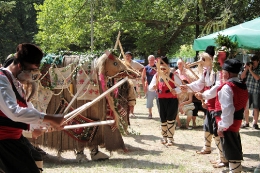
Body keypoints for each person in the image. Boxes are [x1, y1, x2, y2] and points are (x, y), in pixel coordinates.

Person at [0, 43, 64, 173]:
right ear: (19, 65)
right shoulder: (2, 80)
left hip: (13, 139)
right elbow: (14, 113)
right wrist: (50, 118)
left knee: (35, 158)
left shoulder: (17, 83)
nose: (31, 76)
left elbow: (28, 109)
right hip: (3, 141)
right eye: (30, 71)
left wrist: (41, 124)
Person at [181, 49, 228, 168]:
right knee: (207, 126)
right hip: (210, 103)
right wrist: (187, 87)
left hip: (218, 103)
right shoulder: (207, 71)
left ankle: (223, 158)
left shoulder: (218, 72)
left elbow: (217, 87)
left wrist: (204, 96)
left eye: (203, 59)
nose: (200, 62)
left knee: (218, 131)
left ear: (211, 59)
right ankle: (210, 149)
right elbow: (199, 84)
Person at [216, 59, 248, 173]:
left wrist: (222, 126)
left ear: (227, 73)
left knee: (232, 152)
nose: (222, 73)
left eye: (223, 71)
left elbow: (228, 109)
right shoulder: (242, 86)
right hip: (237, 121)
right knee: (234, 148)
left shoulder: (227, 87)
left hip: (229, 124)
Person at [149, 56, 182, 146]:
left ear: (167, 65)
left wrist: (176, 90)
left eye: (163, 65)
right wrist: (153, 87)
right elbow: (150, 87)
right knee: (163, 119)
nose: (162, 68)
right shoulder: (157, 75)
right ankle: (164, 137)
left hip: (172, 99)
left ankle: (170, 139)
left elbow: (181, 87)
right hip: (161, 99)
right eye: (160, 65)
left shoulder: (173, 75)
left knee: (170, 118)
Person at [240, 55, 260, 129]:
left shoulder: (259, 68)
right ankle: (247, 122)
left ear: (258, 61)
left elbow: (257, 78)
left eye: (254, 62)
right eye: (252, 62)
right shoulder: (248, 68)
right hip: (247, 90)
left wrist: (251, 70)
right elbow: (242, 77)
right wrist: (246, 69)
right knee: (246, 107)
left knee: (256, 107)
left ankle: (255, 123)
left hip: (256, 90)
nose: (253, 64)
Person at [124, 51, 144, 117]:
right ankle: (125, 112)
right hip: (123, 83)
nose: (127, 57)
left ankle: (131, 112)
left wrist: (138, 74)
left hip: (133, 83)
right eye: (126, 56)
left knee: (132, 99)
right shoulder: (122, 62)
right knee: (124, 98)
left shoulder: (135, 63)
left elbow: (143, 68)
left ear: (131, 57)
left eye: (128, 56)